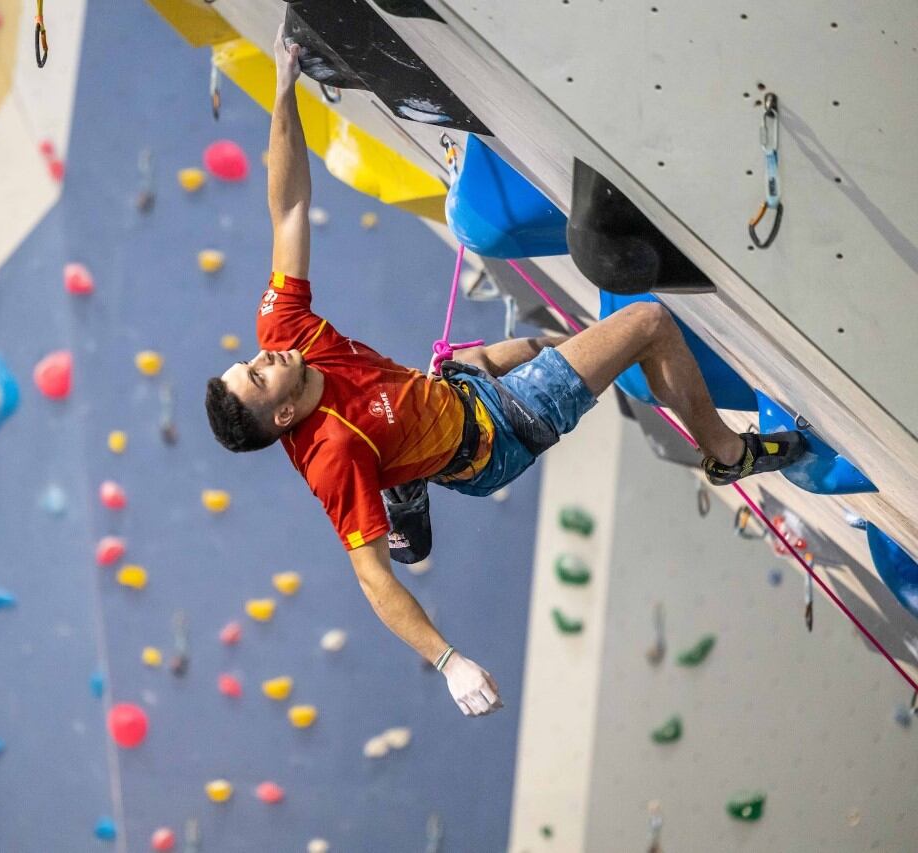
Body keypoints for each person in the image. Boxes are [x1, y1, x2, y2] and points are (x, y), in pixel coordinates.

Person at [204, 32, 805, 718]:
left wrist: (283, 91)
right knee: (646, 326)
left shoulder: (285, 334)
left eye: (249, 360)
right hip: (495, 435)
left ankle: (407, 484)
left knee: (539, 346)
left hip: (450, 390)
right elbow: (372, 579)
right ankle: (729, 453)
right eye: (258, 377)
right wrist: (448, 659)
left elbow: (286, 208)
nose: (264, 357)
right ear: (283, 415)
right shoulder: (332, 456)